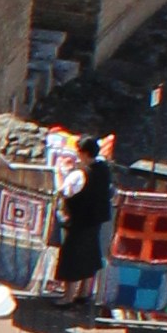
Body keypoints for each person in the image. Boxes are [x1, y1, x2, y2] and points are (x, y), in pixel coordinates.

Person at [51, 124, 116, 298]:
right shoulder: (103, 169)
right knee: (90, 254)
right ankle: (84, 293)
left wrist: (59, 174)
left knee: (71, 257)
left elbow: (65, 191)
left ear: (84, 153)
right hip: (96, 218)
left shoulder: (80, 174)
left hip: (79, 219)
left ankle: (68, 297)